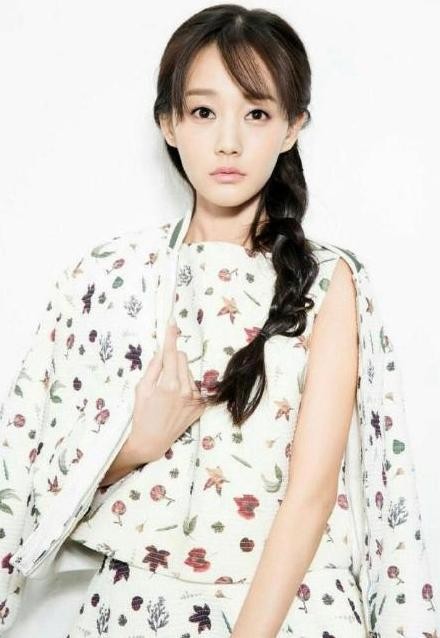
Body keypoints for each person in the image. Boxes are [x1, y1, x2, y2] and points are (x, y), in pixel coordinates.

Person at [1, 5, 437, 637]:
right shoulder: (107, 277)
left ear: (292, 126)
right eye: (204, 112)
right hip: (134, 611)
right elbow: (32, 488)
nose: (228, 141)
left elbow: (311, 497)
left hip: (288, 611)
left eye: (256, 113)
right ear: (168, 123)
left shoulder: (329, 280)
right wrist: (137, 443)